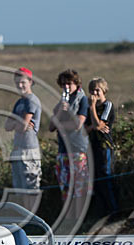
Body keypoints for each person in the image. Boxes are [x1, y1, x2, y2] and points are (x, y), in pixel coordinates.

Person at [48, 69, 90, 201]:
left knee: (79, 188)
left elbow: (78, 124)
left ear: (76, 84)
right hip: (63, 150)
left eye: (69, 83)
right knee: (65, 188)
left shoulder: (82, 99)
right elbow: (51, 126)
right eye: (63, 84)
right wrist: (60, 111)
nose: (66, 87)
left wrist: (62, 125)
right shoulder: (62, 102)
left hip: (77, 149)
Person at [84, 77, 118, 216]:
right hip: (92, 146)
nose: (94, 93)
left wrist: (92, 109)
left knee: (106, 176)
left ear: (103, 90)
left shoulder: (107, 105)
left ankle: (114, 211)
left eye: (97, 90)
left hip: (105, 146)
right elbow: (86, 129)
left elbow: (99, 125)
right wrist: (94, 125)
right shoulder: (88, 108)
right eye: (92, 90)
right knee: (96, 179)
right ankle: (102, 212)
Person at [4, 67, 42, 189]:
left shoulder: (31, 100)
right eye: (17, 83)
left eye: (23, 82)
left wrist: (18, 123)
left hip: (28, 150)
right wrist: (18, 123)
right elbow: (7, 126)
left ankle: (31, 209)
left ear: (30, 82)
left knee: (31, 188)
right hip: (18, 149)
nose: (20, 86)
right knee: (19, 188)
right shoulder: (19, 102)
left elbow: (23, 126)